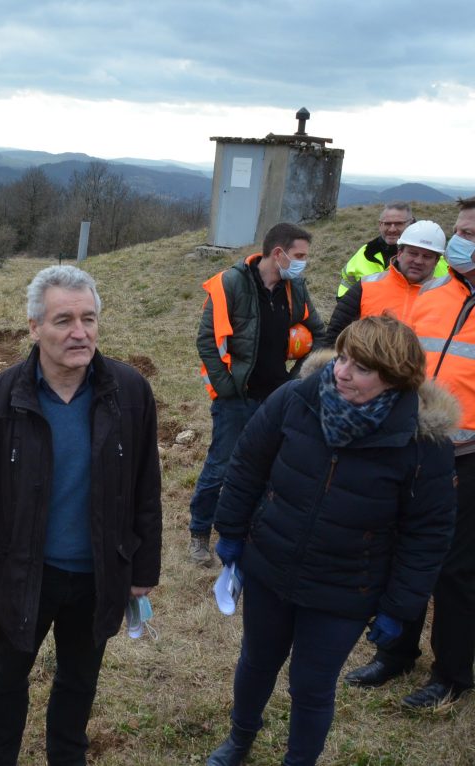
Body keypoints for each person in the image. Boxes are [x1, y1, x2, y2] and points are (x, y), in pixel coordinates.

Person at [208, 316, 456, 766]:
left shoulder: (423, 444)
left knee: (312, 684)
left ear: (395, 376)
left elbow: (428, 533)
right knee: (257, 663)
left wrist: (399, 606)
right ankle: (240, 737)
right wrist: (230, 531)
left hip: (345, 589)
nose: (341, 372)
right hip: (271, 564)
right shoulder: (296, 398)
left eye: (361, 368)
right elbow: (248, 463)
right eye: (342, 358)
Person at [0, 265, 162, 765]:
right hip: (24, 573)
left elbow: (145, 489)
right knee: (5, 681)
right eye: (63, 320)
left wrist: (143, 572)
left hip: (98, 572)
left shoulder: (130, 393)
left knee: (78, 682)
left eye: (88, 318)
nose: (79, 332)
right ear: (34, 328)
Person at [346, 198, 475, 707]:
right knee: (402, 550)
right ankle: (396, 652)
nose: (463, 240)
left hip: (468, 454)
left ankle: (451, 672)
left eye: (470, 233)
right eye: (462, 230)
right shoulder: (436, 293)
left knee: (456, 569)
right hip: (415, 446)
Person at [189, 223, 324, 565]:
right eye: (299, 256)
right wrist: (227, 388)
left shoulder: (295, 288)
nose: (303, 263)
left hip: (278, 398)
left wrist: (297, 378)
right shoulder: (230, 283)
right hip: (238, 398)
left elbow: (319, 333)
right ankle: (200, 534)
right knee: (221, 466)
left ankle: (250, 534)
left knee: (269, 470)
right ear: (278, 253)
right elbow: (208, 340)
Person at [321, 220, 446, 347]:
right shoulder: (366, 287)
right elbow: (333, 337)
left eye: (427, 256)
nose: (418, 261)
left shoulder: (445, 297)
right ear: (399, 253)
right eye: (413, 253)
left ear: (436, 261)